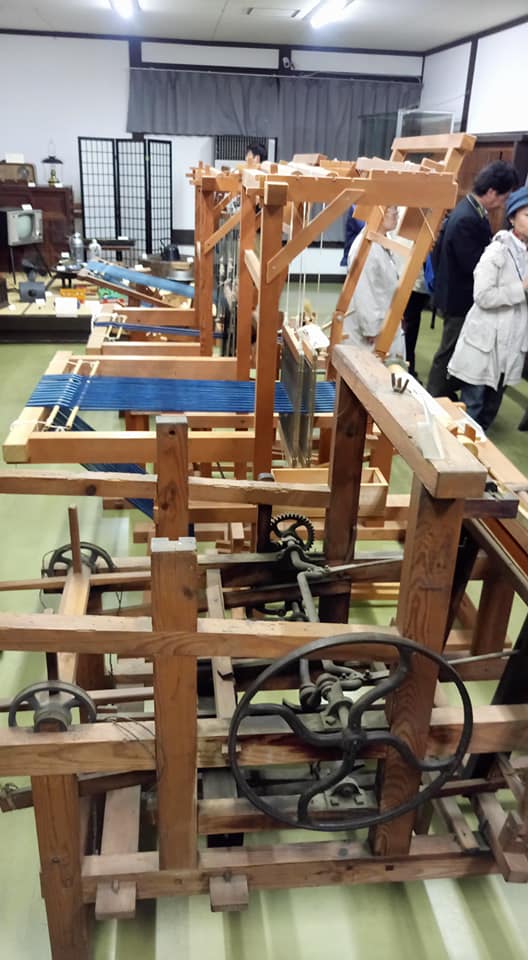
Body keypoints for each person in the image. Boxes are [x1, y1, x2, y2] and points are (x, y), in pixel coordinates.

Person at [426, 160, 519, 398]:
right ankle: (434, 395)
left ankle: (443, 394)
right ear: (491, 192)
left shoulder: (468, 208)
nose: (503, 204)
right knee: (450, 350)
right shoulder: (468, 217)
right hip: (460, 296)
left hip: (454, 292)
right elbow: (473, 264)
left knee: (455, 348)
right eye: (504, 197)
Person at [447, 186, 528, 431]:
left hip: (511, 342)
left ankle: (479, 445)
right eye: (527, 215)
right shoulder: (497, 250)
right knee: (473, 405)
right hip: (485, 340)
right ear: (512, 217)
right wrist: (521, 289)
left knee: (491, 407)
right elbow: (482, 296)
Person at [343, 205, 404, 357]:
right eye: (392, 208)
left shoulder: (383, 239)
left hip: (384, 322)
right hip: (369, 334)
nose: (396, 212)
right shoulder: (365, 247)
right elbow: (363, 291)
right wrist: (371, 330)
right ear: (378, 212)